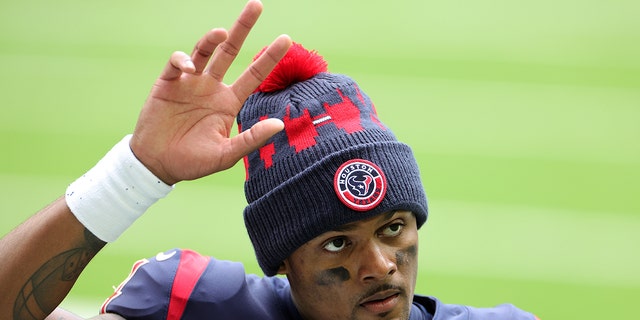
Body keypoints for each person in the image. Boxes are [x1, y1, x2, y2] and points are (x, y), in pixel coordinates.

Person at [0, 1, 539, 319]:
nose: (381, 266)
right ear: (282, 256)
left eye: (393, 227)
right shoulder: (198, 305)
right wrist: (135, 173)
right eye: (337, 242)